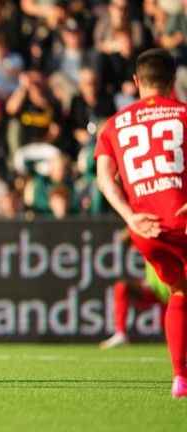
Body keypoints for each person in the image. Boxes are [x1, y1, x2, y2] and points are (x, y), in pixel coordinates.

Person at [95, 48, 187, 398]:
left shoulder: (114, 124)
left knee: (180, 291)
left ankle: (180, 377)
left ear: (136, 82)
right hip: (182, 220)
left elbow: (105, 178)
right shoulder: (183, 114)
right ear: (173, 80)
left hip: (146, 229)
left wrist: (129, 215)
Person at [101, 260, 169, 349]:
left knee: (172, 334)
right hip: (155, 290)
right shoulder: (148, 247)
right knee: (122, 287)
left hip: (177, 293)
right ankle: (120, 334)